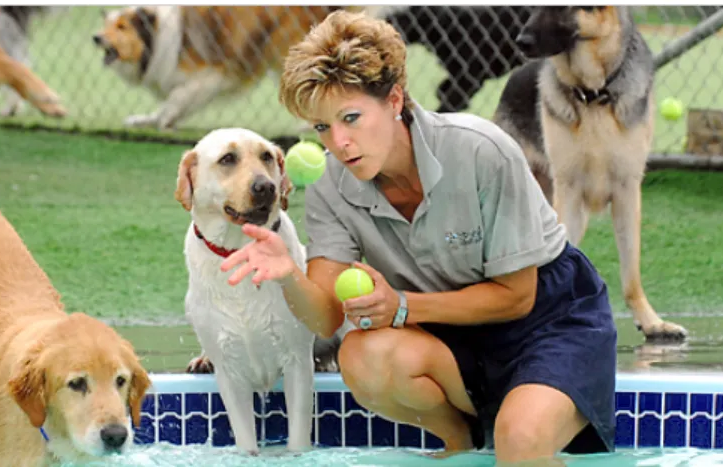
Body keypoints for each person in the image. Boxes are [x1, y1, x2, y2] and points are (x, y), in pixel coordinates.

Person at [218, 10, 617, 465]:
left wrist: (403, 307)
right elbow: (328, 319)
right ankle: (461, 442)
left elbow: (517, 297)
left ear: (393, 100)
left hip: (549, 320)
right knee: (362, 356)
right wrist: (289, 274)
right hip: (449, 329)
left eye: (351, 117)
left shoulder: (482, 150)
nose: (339, 143)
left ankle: (512, 423)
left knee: (520, 444)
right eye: (323, 127)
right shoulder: (330, 186)